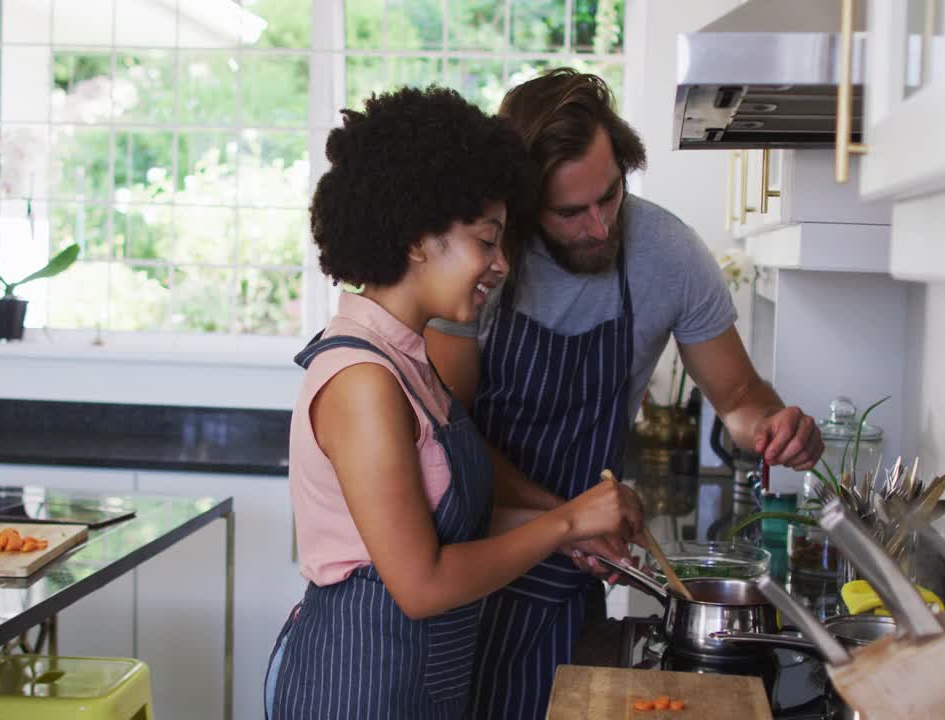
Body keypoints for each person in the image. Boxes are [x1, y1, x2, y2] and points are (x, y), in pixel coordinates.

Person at [424, 69, 826, 719]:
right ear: (523, 204)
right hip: (465, 569)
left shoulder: (666, 253)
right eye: (570, 211)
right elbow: (449, 443)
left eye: (610, 196)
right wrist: (569, 518)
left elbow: (740, 394)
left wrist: (776, 426)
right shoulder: (479, 264)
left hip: (567, 585)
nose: (599, 225)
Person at [264, 86, 645, 720]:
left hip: (418, 688)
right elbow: (420, 583)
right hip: (354, 688)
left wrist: (572, 534)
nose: (500, 264)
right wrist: (567, 522)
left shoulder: (412, 366)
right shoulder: (363, 381)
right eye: (486, 240)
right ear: (418, 238)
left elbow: (450, 526)